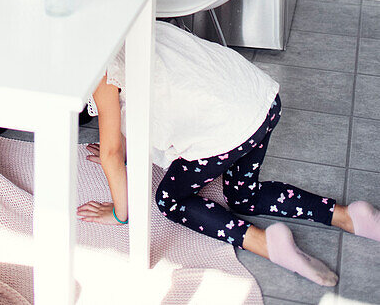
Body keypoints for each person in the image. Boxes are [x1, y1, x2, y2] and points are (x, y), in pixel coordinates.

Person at [77, 21, 380, 286]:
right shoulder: (132, 23)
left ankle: (265, 243)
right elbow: (153, 91)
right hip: (261, 101)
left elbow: (112, 154)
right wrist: (126, 144)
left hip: (229, 127)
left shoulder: (101, 66)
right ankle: (348, 216)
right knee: (242, 197)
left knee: (170, 199)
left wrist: (119, 214)